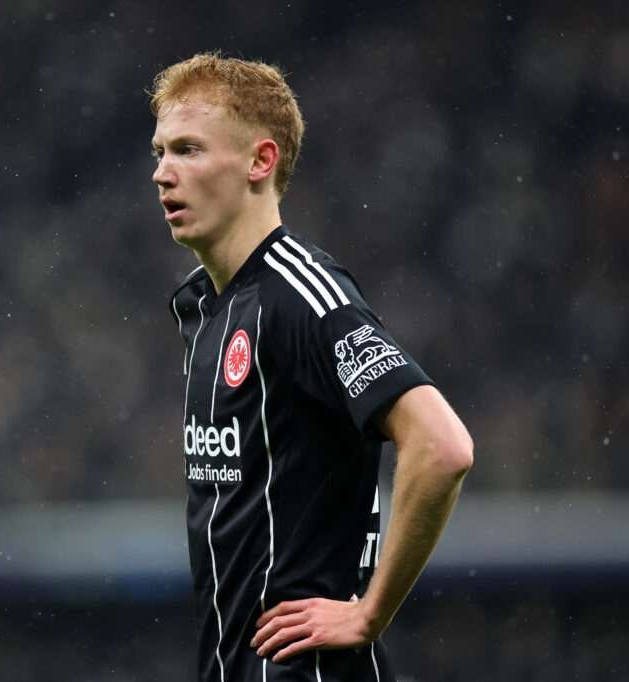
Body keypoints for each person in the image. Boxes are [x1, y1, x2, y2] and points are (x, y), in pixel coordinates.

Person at [150, 52, 474, 681]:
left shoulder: (302, 295)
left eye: (188, 149)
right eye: (159, 151)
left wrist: (368, 614)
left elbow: (443, 447)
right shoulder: (203, 307)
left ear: (259, 162)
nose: (163, 173)